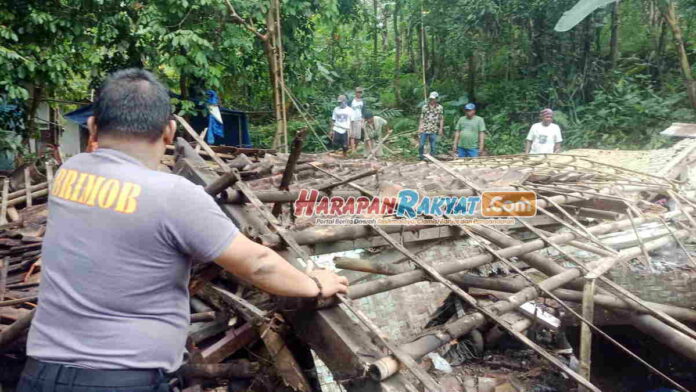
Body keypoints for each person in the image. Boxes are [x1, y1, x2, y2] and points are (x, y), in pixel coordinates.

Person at [19, 69, 349, 392]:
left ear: (92, 126)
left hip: (39, 375)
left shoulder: (69, 174)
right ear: (169, 131)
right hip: (122, 380)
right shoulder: (172, 195)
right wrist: (314, 284)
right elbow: (257, 264)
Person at [418, 91, 444, 161]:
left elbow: (441, 118)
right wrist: (420, 127)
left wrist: (441, 128)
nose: (432, 100)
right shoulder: (424, 107)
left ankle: (432, 159)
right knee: (421, 145)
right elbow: (422, 118)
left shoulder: (440, 108)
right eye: (431, 99)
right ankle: (421, 157)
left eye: (433, 99)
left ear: (436, 99)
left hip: (433, 129)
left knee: (433, 146)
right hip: (425, 128)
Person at [348, 87, 365, 153]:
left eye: (360, 92)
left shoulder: (362, 101)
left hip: (359, 120)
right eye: (358, 92)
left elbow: (363, 111)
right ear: (355, 92)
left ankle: (355, 148)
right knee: (352, 135)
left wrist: (363, 120)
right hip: (351, 120)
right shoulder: (351, 100)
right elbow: (347, 109)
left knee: (358, 137)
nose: (359, 93)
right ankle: (353, 150)